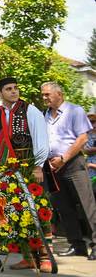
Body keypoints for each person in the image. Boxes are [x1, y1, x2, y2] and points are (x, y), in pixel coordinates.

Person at [0, 76, 53, 272]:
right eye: (8, 89)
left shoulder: (30, 110)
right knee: (15, 212)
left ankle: (46, 257)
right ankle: (27, 256)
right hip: (6, 172)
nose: (14, 91)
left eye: (15, 88)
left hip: (30, 169)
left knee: (39, 210)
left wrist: (38, 166)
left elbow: (41, 139)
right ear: (0, 93)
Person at [41, 82, 96, 261]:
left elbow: (82, 138)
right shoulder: (45, 115)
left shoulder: (75, 111)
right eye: (43, 95)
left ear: (59, 94)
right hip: (52, 166)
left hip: (72, 163)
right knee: (64, 207)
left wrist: (63, 158)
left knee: (86, 204)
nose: (44, 98)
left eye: (47, 94)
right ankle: (77, 244)